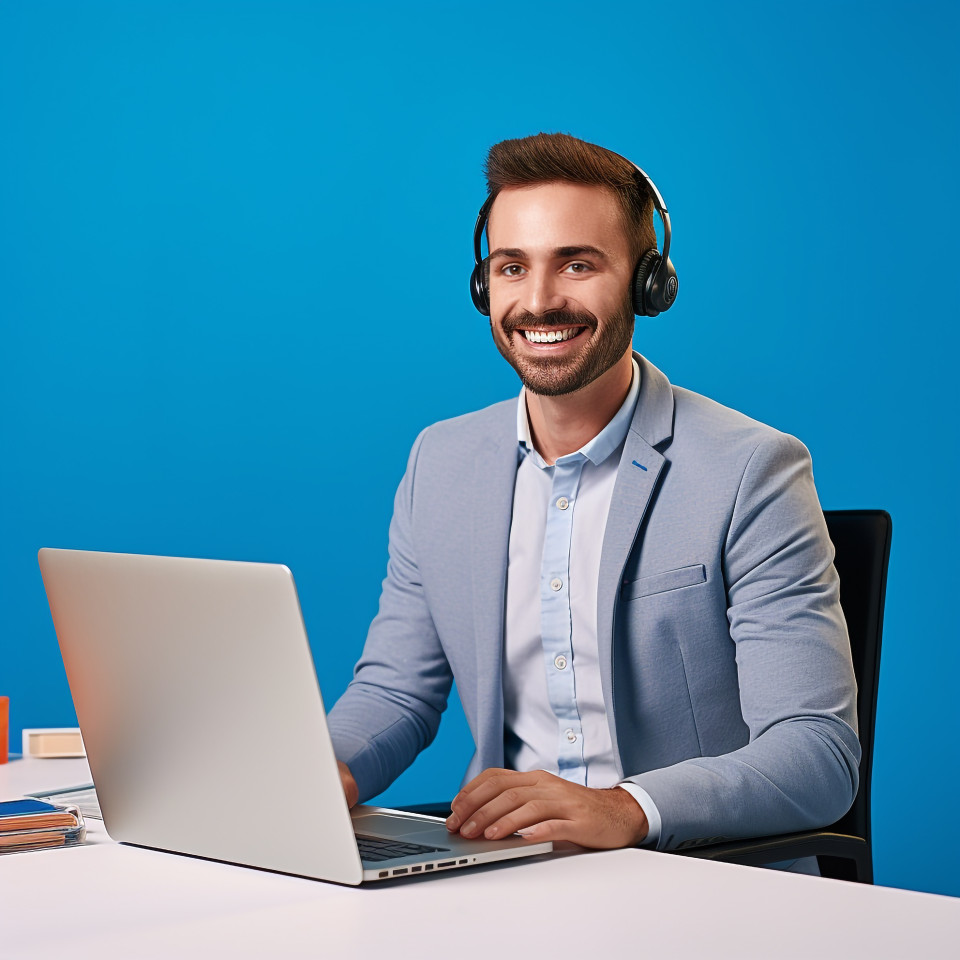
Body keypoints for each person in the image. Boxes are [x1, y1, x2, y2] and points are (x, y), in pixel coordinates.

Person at [327, 132, 859, 855]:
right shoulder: (440, 463)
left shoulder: (751, 470)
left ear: (649, 284)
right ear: (484, 286)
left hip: (698, 879)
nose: (539, 301)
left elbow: (816, 755)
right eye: (511, 267)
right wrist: (317, 773)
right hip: (502, 876)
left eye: (577, 264)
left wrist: (627, 808)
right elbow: (396, 694)